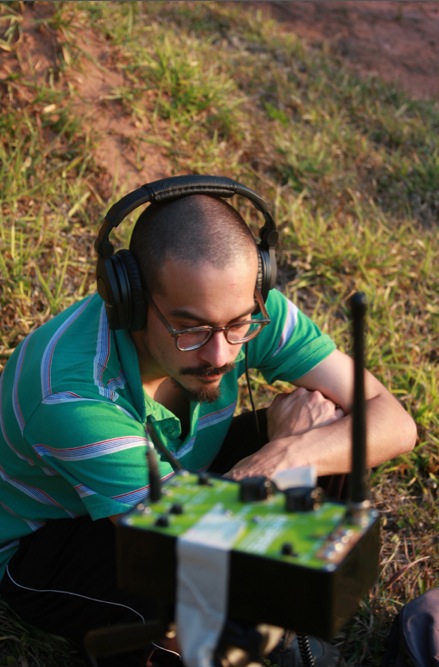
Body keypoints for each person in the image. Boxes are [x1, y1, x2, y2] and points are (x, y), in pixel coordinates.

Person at [0, 176, 416, 667]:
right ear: (130, 299)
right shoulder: (73, 397)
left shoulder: (242, 310)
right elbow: (194, 558)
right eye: (190, 327)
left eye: (238, 324)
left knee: (333, 426)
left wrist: (287, 452)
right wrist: (267, 476)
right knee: (202, 609)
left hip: (173, 490)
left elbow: (395, 423)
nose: (220, 353)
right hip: (51, 541)